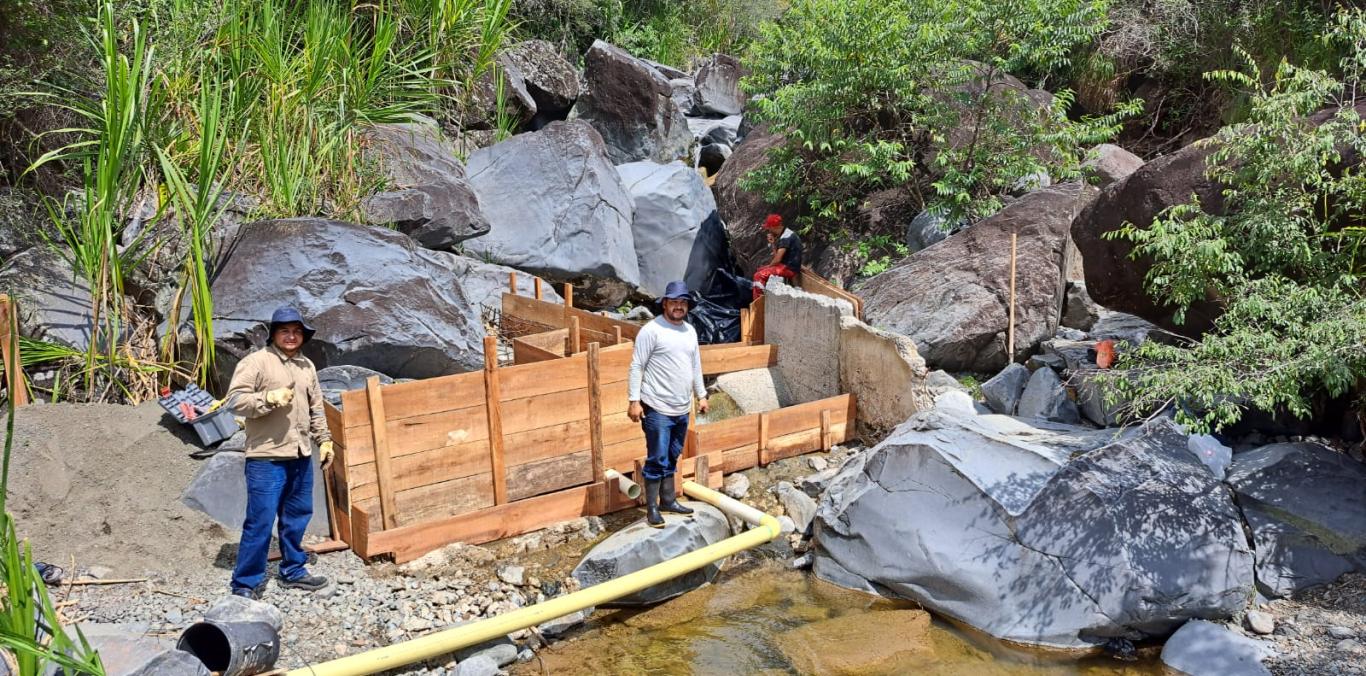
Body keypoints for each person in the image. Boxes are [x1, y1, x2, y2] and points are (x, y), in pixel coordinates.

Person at [226, 307, 334, 599]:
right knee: (260, 521)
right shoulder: (256, 363)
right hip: (267, 456)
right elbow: (235, 401)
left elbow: (316, 407)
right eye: (285, 330)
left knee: (297, 516)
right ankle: (245, 584)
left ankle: (293, 571)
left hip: (299, 454)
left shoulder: (306, 367)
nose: (291, 336)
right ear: (273, 334)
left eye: (297, 331)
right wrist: (268, 398)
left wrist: (324, 440)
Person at [627, 281, 710, 528]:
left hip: (682, 408)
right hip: (657, 407)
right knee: (657, 457)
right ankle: (652, 509)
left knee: (673, 455)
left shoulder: (690, 331)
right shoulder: (651, 330)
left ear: (687, 306)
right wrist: (634, 400)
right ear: (665, 303)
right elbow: (637, 365)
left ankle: (668, 500)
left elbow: (695, 365)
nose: (678, 306)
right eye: (674, 302)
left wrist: (702, 395)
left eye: (682, 303)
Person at [752, 213, 802, 299]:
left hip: (789, 268)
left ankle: (759, 302)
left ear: (773, 227)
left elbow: (777, 259)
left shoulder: (785, 238)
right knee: (759, 270)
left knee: (758, 275)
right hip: (786, 265)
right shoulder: (786, 233)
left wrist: (769, 266)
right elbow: (777, 256)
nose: (768, 230)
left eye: (769, 228)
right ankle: (763, 296)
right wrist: (772, 243)